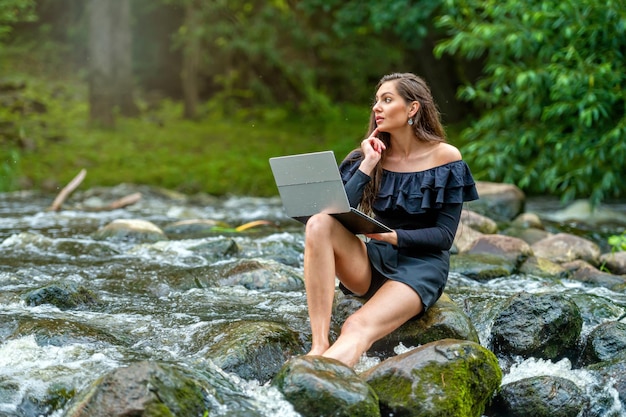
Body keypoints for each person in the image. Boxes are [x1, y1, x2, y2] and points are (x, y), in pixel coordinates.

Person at [303, 72, 479, 367]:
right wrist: (367, 165)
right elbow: (334, 214)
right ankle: (318, 344)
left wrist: (394, 236)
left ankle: (318, 383)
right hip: (373, 262)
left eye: (387, 100)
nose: (377, 108)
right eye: (376, 101)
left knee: (356, 326)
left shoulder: (446, 158)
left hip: (420, 268)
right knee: (318, 223)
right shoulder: (371, 154)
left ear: (412, 108)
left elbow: (445, 237)